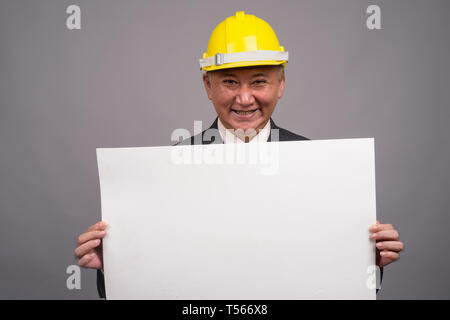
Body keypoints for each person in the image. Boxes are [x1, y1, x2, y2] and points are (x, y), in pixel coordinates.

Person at [75, 11, 404, 299]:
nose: (245, 98)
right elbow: (138, 287)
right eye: (230, 82)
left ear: (280, 84)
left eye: (258, 82)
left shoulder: (315, 164)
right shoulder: (171, 166)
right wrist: (111, 265)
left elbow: (350, 285)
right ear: (208, 85)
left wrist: (367, 260)